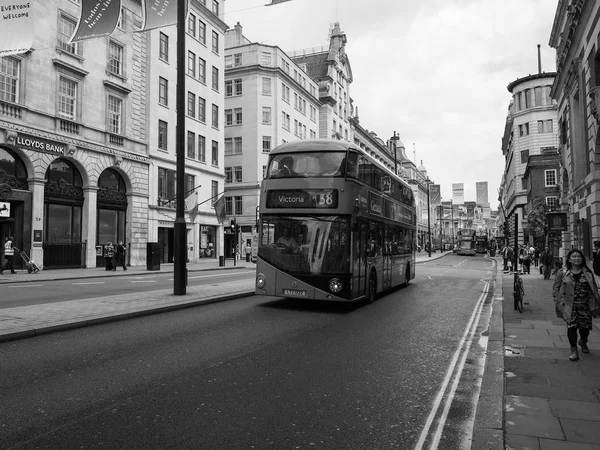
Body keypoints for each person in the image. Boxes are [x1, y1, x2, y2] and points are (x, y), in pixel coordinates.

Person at [553, 248, 600, 361]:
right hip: (569, 305)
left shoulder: (588, 272)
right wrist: (557, 299)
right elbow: (556, 286)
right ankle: (574, 350)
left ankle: (583, 341)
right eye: (574, 256)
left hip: (585, 305)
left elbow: (594, 287)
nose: (576, 259)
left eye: (579, 257)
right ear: (569, 259)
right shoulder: (562, 272)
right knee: (571, 327)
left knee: (585, 328)